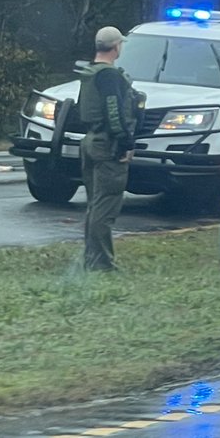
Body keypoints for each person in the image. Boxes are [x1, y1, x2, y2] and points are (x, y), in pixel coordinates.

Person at [77, 25, 143, 272]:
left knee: (95, 205)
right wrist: (125, 143)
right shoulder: (109, 76)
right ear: (116, 47)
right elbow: (113, 110)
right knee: (105, 207)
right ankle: (102, 265)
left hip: (91, 141)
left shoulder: (90, 73)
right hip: (108, 145)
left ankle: (92, 260)